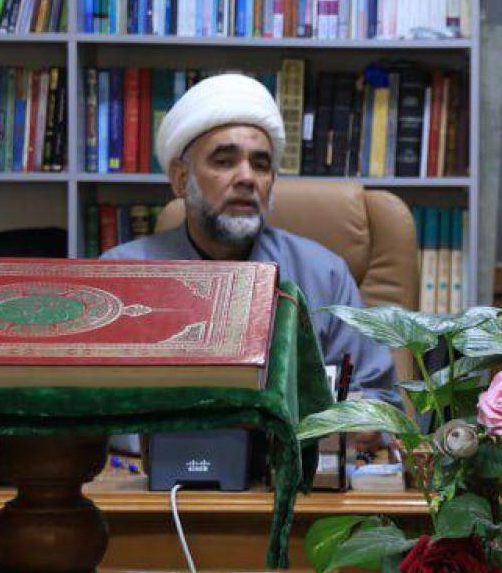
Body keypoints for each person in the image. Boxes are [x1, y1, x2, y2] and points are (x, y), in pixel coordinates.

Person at [101, 72, 395, 397]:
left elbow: (377, 397)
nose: (246, 178)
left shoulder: (325, 276)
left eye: (261, 165)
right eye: (224, 161)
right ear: (181, 179)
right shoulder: (119, 275)